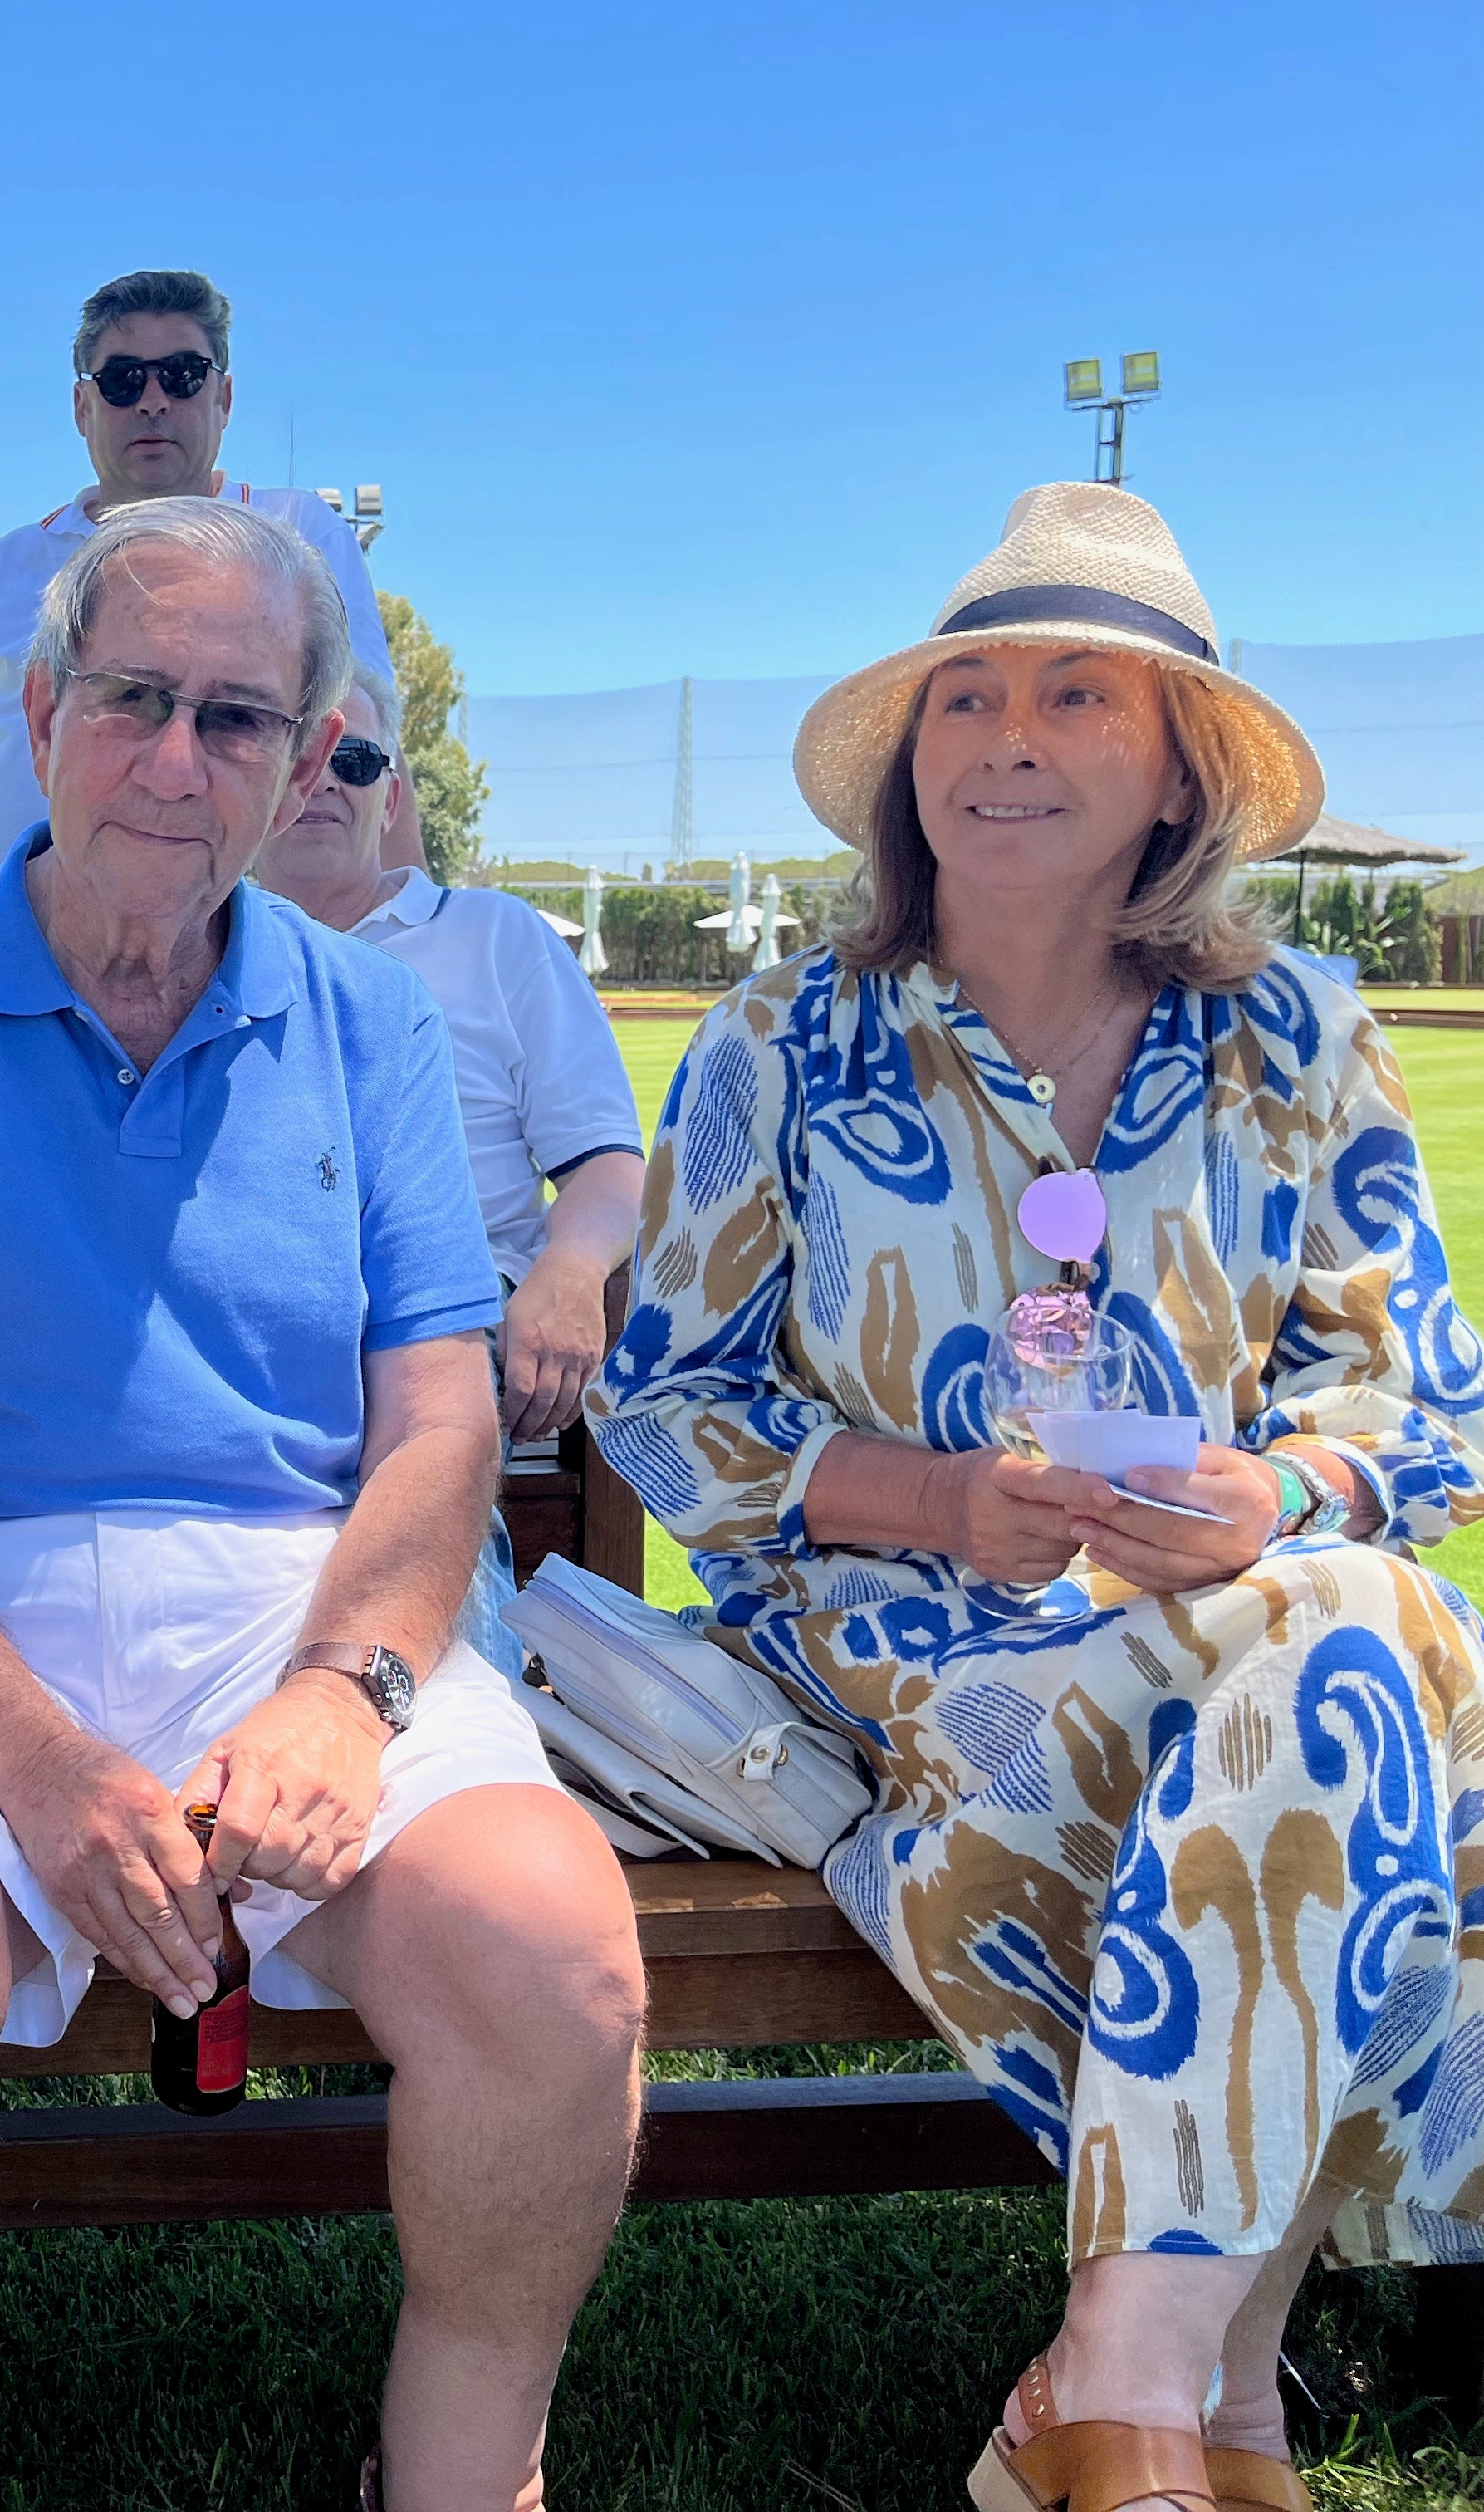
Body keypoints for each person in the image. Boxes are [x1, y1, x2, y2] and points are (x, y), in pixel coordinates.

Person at [0, 496, 646, 2511]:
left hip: (303, 1592)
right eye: (133, 697)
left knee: (557, 1952)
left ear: (312, 757)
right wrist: (47, 1768)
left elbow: (432, 1427)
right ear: (38, 716)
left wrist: (347, 1691)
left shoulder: (377, 1015)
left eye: (238, 719)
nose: (175, 757)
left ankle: (471, 2482)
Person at [588, 483, 1484, 2512]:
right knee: (1384, 1677)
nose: (1008, 737)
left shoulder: (1298, 1040)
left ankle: (1128, 2389)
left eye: (1080, 695)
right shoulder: (782, 1041)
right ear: (910, 766)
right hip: (909, 1653)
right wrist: (931, 1500)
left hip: (1241, 1638)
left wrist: (1279, 1488)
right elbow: (666, 1404)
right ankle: (1213, 2395)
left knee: (1338, 1624)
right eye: (967, 698)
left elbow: (1426, 1407)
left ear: (1180, 765)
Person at [255, 689, 646, 1673]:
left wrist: (571, 1266)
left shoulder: (494, 938)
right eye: (305, 752)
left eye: (358, 762)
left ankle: (442, 1723)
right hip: (252, 1319)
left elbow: (608, 1161)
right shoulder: (186, 944)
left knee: (420, 1399)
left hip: (455, 1312)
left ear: (392, 791)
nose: (327, 785)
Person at [0, 267, 401, 915]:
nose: (152, 400)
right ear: (82, 408)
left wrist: (413, 936)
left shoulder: (302, 536)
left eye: (182, 375)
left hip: (164, 954)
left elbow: (372, 745)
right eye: (122, 380)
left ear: (224, 397)